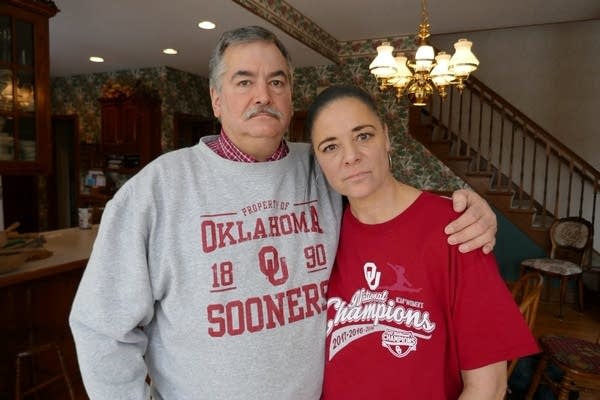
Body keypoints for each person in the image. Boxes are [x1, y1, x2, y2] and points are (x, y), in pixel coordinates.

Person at [69, 26, 497, 400]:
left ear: (291, 98)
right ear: (216, 99)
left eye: (277, 81)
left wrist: (465, 208)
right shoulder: (156, 190)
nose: (263, 95)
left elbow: (386, 197)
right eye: (244, 82)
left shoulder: (322, 165)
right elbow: (101, 329)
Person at [305, 85, 539, 400]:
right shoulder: (322, 235)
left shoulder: (456, 228)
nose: (351, 157)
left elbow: (488, 387)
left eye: (363, 136)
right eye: (330, 147)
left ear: (386, 137)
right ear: (317, 159)